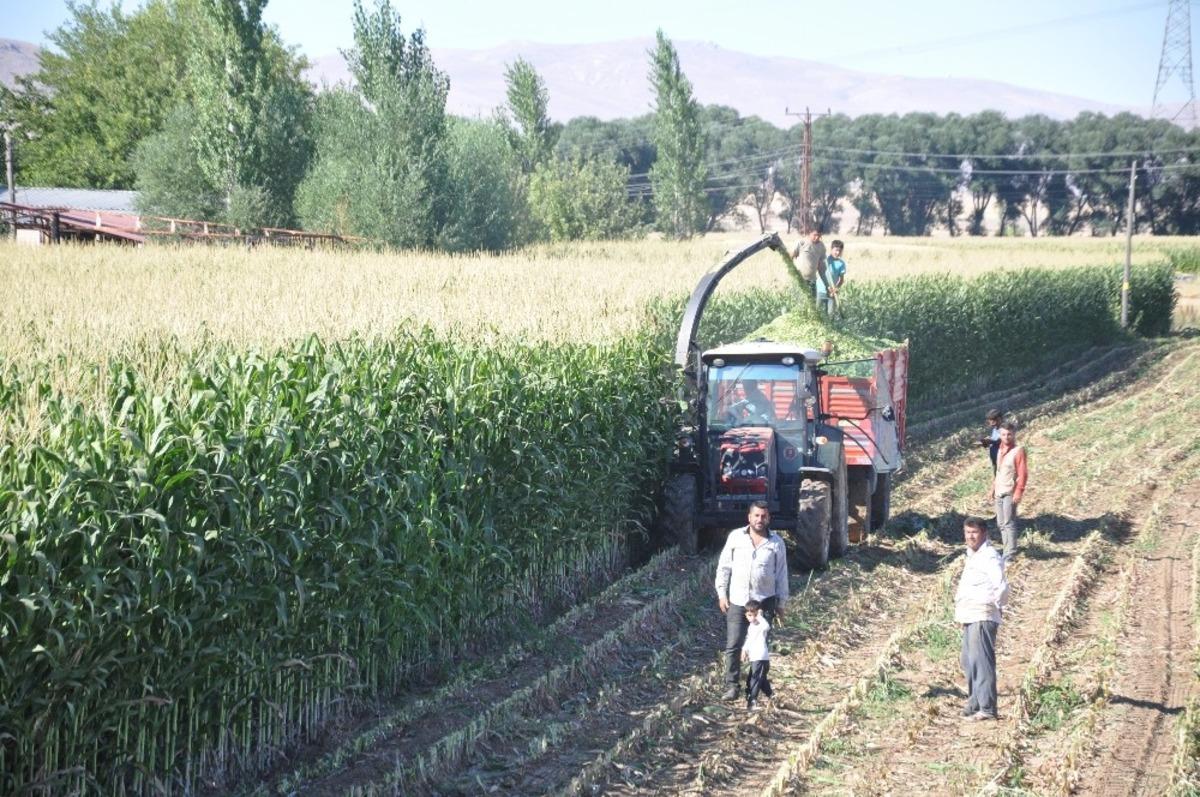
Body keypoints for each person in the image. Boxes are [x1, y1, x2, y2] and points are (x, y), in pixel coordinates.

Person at [715, 501, 789, 701]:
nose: (760, 519)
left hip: (764, 602)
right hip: (738, 601)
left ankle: (755, 685)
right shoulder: (736, 537)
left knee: (760, 647)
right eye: (756, 515)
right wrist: (722, 593)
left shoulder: (776, 542)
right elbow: (724, 567)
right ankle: (731, 686)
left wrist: (781, 603)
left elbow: (781, 574)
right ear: (749, 517)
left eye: (763, 516)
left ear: (769, 518)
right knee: (733, 644)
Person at [954, 517, 1010, 720]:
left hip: (982, 614)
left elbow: (1002, 586)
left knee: (981, 661)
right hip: (969, 615)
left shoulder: (989, 556)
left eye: (974, 532)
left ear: (984, 533)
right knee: (968, 661)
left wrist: (996, 607)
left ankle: (987, 708)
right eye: (967, 532)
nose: (970, 536)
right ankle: (975, 702)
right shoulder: (972, 556)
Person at [989, 421, 1028, 561]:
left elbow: (1023, 474)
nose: (1006, 437)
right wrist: (993, 488)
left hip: (1009, 492)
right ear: (1000, 435)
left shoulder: (1018, 451)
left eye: (1009, 434)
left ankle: (1010, 554)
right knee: (1000, 523)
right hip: (999, 490)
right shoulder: (999, 450)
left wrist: (1018, 492)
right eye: (1004, 434)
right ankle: (1006, 551)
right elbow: (998, 472)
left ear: (1014, 434)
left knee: (1008, 522)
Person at [741, 598, 773, 710]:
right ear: (746, 615)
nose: (752, 618)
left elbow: (766, 627)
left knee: (756, 679)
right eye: (749, 615)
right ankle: (772, 696)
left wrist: (760, 616)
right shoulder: (751, 627)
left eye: (754, 615)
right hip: (754, 657)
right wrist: (744, 650)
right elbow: (749, 640)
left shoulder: (760, 624)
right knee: (760, 678)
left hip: (761, 657)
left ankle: (752, 701)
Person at [792, 229, 834, 302]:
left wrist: (827, 285)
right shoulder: (801, 243)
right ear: (809, 233)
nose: (817, 237)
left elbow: (822, 269)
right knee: (798, 303)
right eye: (815, 235)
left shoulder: (821, 247)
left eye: (819, 235)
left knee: (811, 305)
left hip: (812, 281)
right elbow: (791, 256)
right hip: (799, 279)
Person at [820, 239, 848, 318]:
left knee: (830, 315)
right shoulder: (825, 260)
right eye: (836, 250)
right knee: (817, 313)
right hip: (820, 290)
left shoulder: (841, 263)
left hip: (832, 292)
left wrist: (836, 288)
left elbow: (841, 280)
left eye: (840, 251)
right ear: (831, 249)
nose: (837, 253)